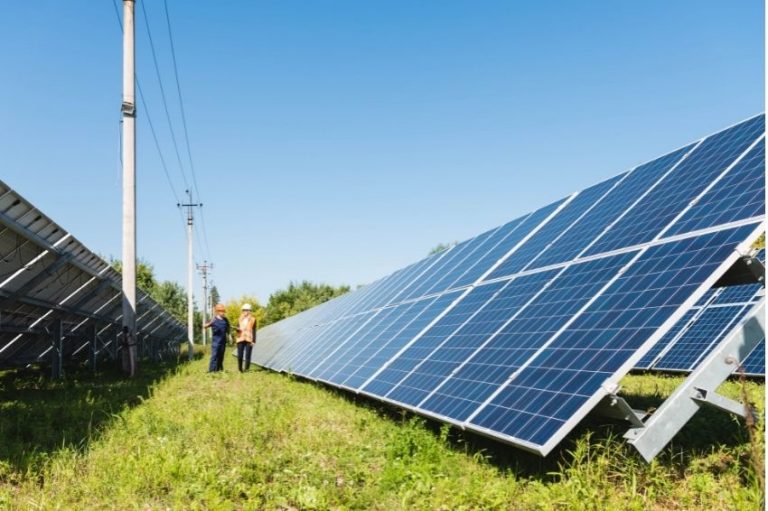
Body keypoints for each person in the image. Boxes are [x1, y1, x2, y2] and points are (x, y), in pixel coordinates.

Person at [204, 303, 230, 372]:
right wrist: (210, 323)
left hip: (223, 341)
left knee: (221, 356)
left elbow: (228, 329)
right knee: (214, 355)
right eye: (221, 311)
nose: (223, 312)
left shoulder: (226, 320)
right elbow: (204, 326)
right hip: (216, 341)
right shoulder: (214, 319)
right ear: (217, 312)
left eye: (223, 311)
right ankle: (211, 371)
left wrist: (230, 336)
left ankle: (219, 369)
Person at [235, 303, 257, 372]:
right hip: (240, 338)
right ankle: (240, 369)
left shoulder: (253, 319)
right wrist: (237, 329)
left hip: (249, 339)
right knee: (240, 355)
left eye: (247, 310)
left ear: (250, 311)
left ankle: (246, 369)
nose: (245, 312)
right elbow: (237, 328)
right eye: (244, 310)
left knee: (248, 355)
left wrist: (253, 341)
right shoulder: (239, 319)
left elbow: (254, 330)